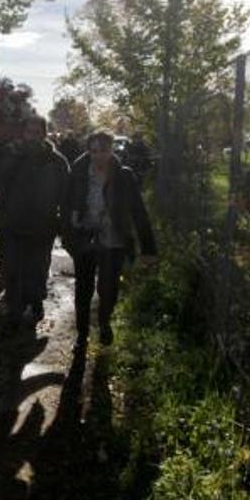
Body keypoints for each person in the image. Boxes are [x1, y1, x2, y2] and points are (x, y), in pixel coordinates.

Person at [62, 131, 157, 344]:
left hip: (113, 241)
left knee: (109, 288)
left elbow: (138, 211)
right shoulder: (78, 173)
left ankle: (104, 322)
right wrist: (68, 236)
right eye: (94, 151)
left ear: (111, 150)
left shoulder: (124, 176)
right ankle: (82, 333)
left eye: (103, 150)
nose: (99, 156)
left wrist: (148, 249)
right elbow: (66, 205)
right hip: (85, 238)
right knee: (83, 288)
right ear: (88, 151)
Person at [0, 116, 68, 328]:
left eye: (37, 132)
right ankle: (13, 305)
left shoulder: (57, 161)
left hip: (43, 225)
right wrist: (0, 216)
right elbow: (0, 188)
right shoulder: (13, 156)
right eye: (29, 132)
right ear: (23, 133)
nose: (32, 136)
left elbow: (65, 194)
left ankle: (36, 300)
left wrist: (62, 222)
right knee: (13, 266)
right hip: (13, 222)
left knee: (38, 266)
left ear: (44, 134)